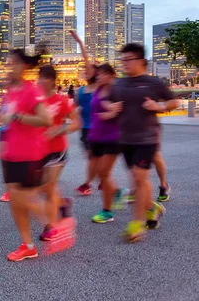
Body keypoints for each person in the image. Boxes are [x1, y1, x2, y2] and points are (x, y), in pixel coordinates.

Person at [104, 43, 179, 242]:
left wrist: (158, 106)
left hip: (148, 138)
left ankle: (136, 225)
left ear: (141, 61)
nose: (124, 63)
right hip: (125, 139)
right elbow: (108, 102)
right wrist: (112, 108)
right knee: (140, 181)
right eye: (123, 60)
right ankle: (152, 209)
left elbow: (174, 102)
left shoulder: (153, 83)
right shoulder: (119, 84)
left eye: (129, 59)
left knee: (138, 177)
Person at [0, 50, 52, 261]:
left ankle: (56, 224)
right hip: (11, 154)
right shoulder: (10, 92)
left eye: (15, 63)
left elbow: (45, 119)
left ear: (25, 66)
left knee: (24, 198)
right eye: (9, 62)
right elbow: (7, 120)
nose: (10, 66)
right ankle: (27, 245)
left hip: (30, 154)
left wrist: (17, 116)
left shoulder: (32, 90)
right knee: (16, 202)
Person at [37, 65, 81, 241]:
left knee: (48, 186)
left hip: (57, 150)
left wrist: (59, 130)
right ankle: (62, 203)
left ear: (52, 81)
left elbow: (76, 122)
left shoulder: (61, 101)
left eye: (45, 78)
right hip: (38, 150)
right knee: (42, 187)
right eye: (39, 78)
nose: (41, 81)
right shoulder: (36, 101)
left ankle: (50, 226)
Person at [88, 64, 126, 224]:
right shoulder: (98, 89)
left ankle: (107, 211)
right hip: (96, 136)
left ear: (111, 75)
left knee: (104, 173)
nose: (99, 77)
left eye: (103, 74)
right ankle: (118, 192)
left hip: (112, 137)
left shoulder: (116, 90)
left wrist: (110, 112)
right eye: (98, 74)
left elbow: (121, 109)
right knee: (99, 174)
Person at [70, 30, 100, 196]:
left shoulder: (98, 88)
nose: (85, 70)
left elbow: (86, 60)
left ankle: (87, 184)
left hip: (97, 128)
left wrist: (80, 42)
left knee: (92, 158)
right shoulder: (81, 90)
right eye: (85, 70)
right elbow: (73, 107)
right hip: (85, 128)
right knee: (92, 158)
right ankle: (101, 179)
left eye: (89, 70)